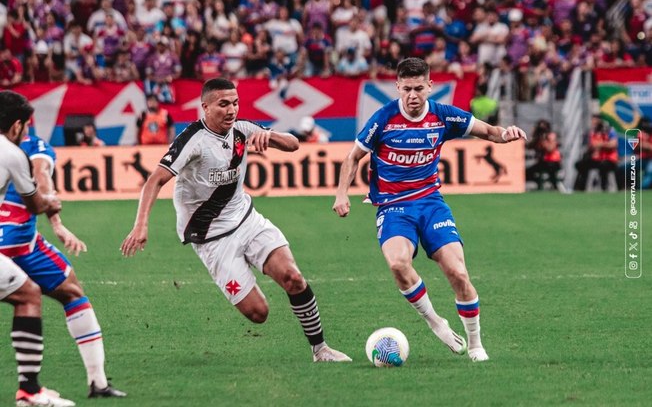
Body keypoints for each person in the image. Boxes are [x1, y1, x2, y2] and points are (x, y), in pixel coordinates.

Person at [121, 78, 351, 363]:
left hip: (246, 220)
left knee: (293, 278)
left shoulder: (242, 129)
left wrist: (273, 138)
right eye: (223, 104)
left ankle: (321, 350)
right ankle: (240, 277)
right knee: (259, 313)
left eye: (235, 103)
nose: (231, 110)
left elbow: (294, 144)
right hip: (211, 239)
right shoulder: (192, 140)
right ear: (205, 107)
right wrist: (141, 224)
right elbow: (155, 180)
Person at [333, 58, 528, 362]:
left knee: (458, 272)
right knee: (398, 264)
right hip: (394, 207)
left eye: (418, 88)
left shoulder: (443, 116)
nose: (413, 95)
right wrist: (341, 194)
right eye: (407, 88)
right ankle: (435, 321)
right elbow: (352, 157)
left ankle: (475, 344)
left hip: (431, 204)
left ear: (429, 86)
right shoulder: (383, 119)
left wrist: (507, 134)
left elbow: (489, 132)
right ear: (398, 87)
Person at [1, 130, 127, 399]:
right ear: (18, 124)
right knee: (67, 293)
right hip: (19, 241)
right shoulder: (31, 146)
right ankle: (93, 383)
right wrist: (57, 223)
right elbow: (42, 177)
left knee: (43, 294)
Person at [0, 90, 74, 406]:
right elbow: (34, 203)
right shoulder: (13, 154)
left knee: (26, 292)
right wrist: (51, 204)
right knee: (29, 296)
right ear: (17, 126)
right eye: (25, 126)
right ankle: (29, 392)